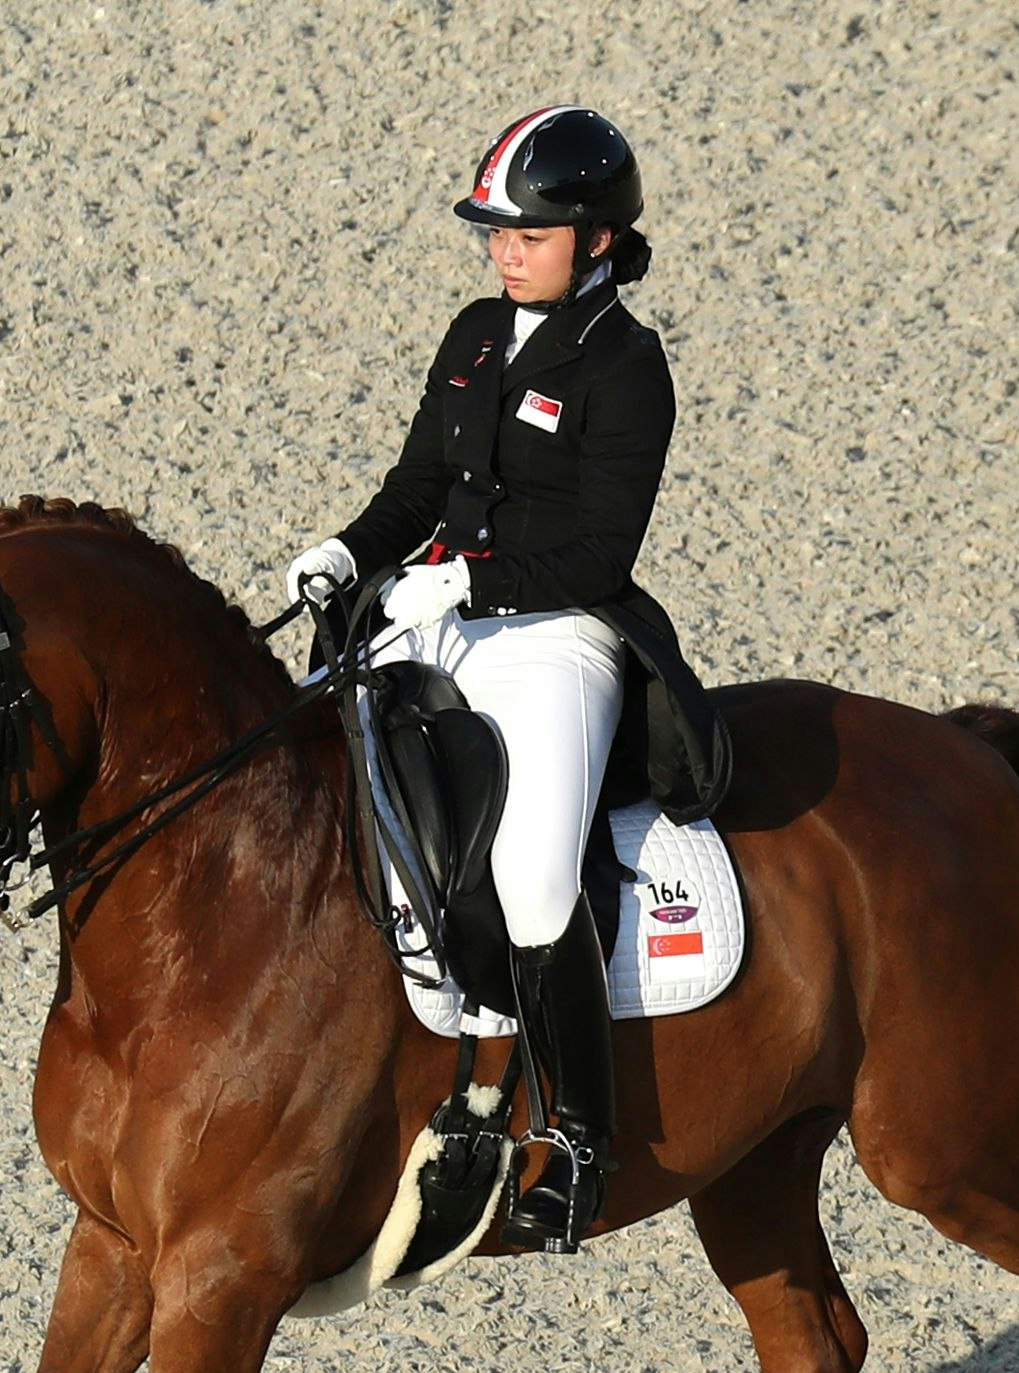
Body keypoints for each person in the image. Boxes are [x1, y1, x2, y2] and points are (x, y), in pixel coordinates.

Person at [283, 106, 729, 1254]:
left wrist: (465, 585)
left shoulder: (628, 367)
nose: (502, 250)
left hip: (557, 632)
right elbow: (418, 484)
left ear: (595, 239)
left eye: (526, 234)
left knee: (534, 883)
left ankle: (582, 1137)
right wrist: (350, 552)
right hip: (438, 611)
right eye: (495, 232)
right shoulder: (478, 333)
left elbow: (601, 550)